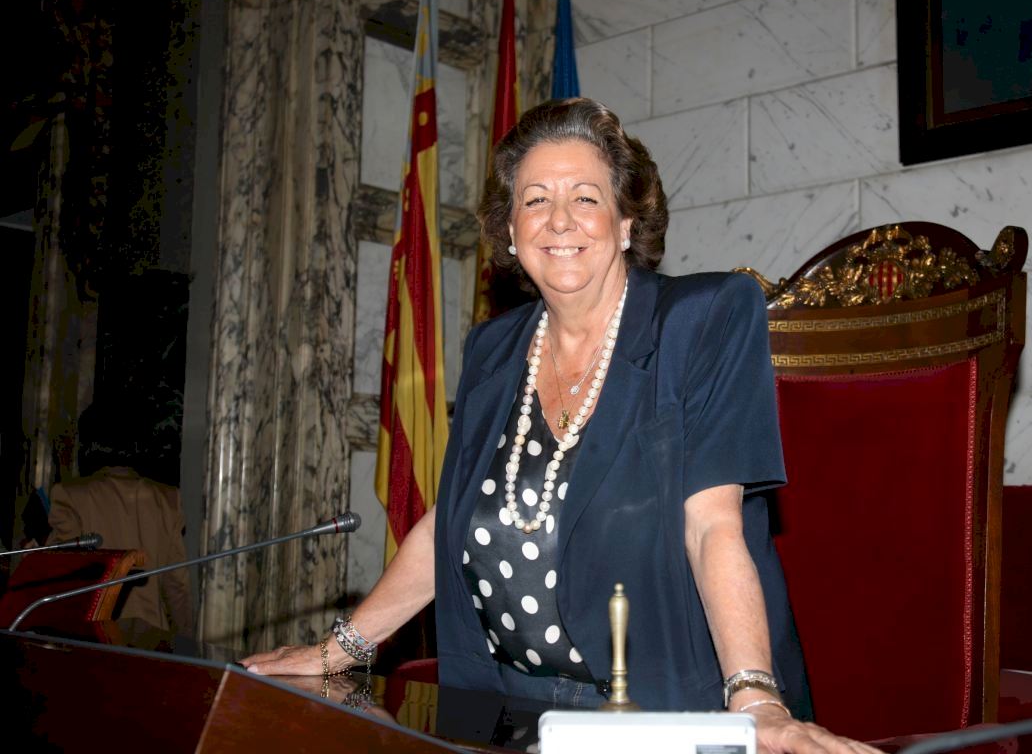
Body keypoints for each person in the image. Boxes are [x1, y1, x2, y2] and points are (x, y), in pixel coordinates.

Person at [243, 98, 877, 754]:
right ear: (511, 231)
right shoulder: (493, 349)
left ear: (626, 223)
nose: (560, 219)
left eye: (586, 197)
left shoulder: (704, 317)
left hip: (660, 710)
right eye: (536, 199)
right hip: (500, 714)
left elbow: (712, 524)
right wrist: (340, 649)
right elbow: (449, 523)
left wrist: (754, 699)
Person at [46, 402, 193, 634]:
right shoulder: (167, 499)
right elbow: (177, 586)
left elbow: (62, 578)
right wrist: (186, 640)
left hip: (95, 636)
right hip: (151, 639)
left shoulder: (69, 495)